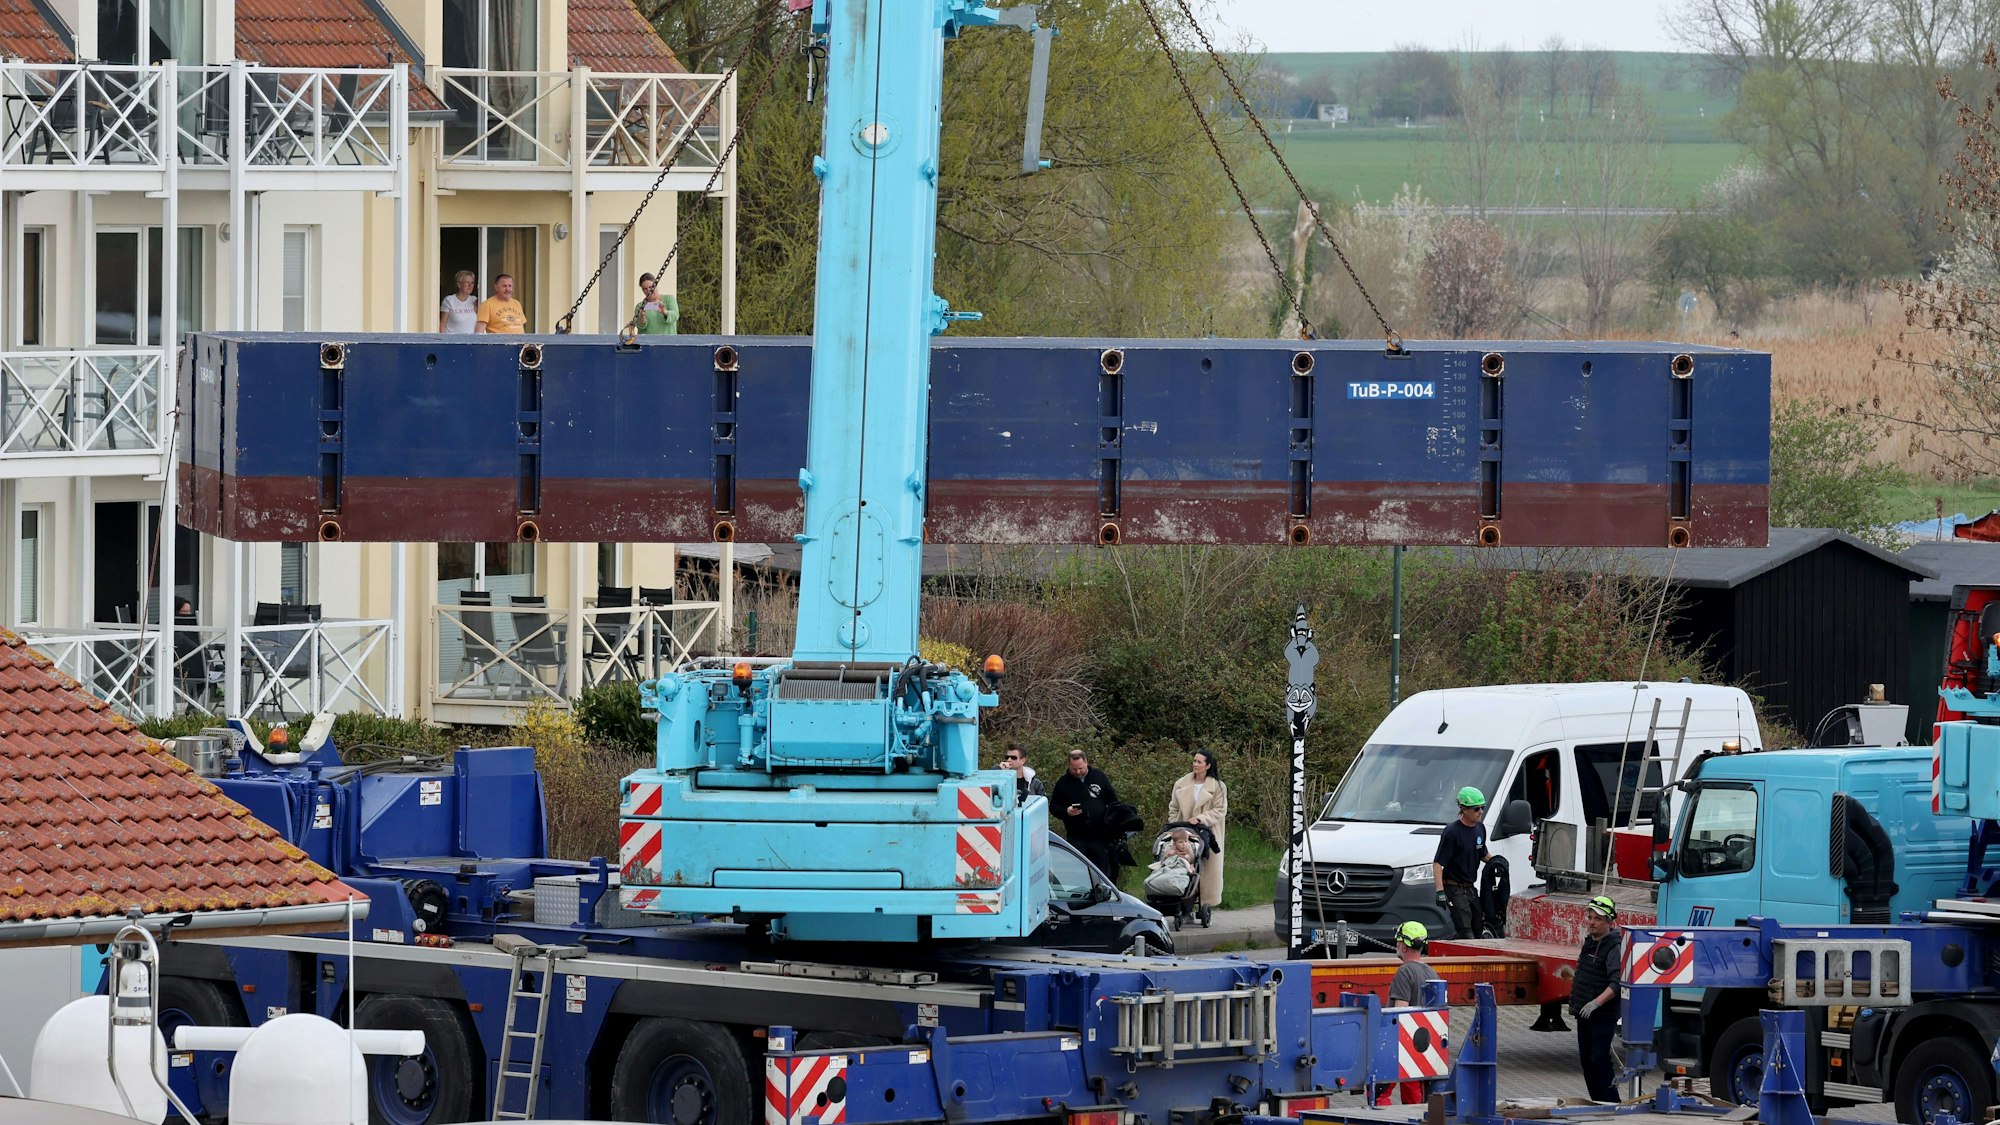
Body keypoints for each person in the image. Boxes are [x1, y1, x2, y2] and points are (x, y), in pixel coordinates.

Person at [1165, 748, 1228, 927]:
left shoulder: (1218, 786)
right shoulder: (1181, 783)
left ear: (1208, 765)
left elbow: (1220, 810)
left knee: (1204, 869)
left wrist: (1201, 818)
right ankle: (1183, 904)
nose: (1195, 764)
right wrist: (1175, 824)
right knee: (1184, 864)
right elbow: (1174, 807)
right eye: (1194, 761)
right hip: (1183, 831)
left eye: (1199, 762)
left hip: (1207, 832)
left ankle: (1203, 903)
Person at [1571, 895, 1624, 1103]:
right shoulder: (1590, 943)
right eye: (1590, 917)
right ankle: (1597, 1102)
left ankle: (1612, 1102)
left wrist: (1596, 1003)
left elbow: (1616, 982)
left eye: (1598, 919)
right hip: (1584, 1015)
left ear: (1609, 922)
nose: (1592, 922)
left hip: (1603, 1015)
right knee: (1586, 1060)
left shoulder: (1613, 947)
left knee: (1600, 1059)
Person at [1378, 920, 1436, 1107]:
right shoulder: (1432, 973)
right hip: (1420, 1048)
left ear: (1403, 945)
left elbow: (1400, 1012)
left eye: (1398, 942)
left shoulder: (1404, 972)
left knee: (1379, 1095)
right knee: (1415, 1102)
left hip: (1399, 1046)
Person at [1050, 750, 1123, 883]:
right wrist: (1066, 812)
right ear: (1068, 765)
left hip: (1100, 836)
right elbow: (1053, 807)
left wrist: (1111, 819)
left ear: (1086, 762)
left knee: (1101, 871)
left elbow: (1113, 801)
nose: (1078, 772)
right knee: (1079, 870)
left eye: (1080, 768)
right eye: (1074, 769)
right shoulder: (1063, 783)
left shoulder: (1099, 777)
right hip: (1077, 837)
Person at [1433, 786, 1492, 937]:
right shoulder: (1452, 832)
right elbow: (1438, 863)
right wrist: (1440, 891)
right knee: (1465, 929)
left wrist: (1497, 862)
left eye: (1482, 807)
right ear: (1464, 809)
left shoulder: (1480, 828)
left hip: (1470, 887)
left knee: (1478, 926)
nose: (1480, 811)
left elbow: (1482, 853)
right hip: (1454, 887)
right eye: (1476, 808)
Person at [1143, 828, 1197, 902]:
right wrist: (1168, 855)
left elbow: (1192, 861)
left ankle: (1172, 884)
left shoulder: (1188, 849)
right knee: (1155, 877)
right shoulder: (1170, 849)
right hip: (1169, 867)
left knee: (1175, 877)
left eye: (1186, 841)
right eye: (1180, 842)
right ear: (1175, 843)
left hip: (1181, 867)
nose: (1184, 844)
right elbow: (1163, 861)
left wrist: (1191, 866)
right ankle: (1155, 884)